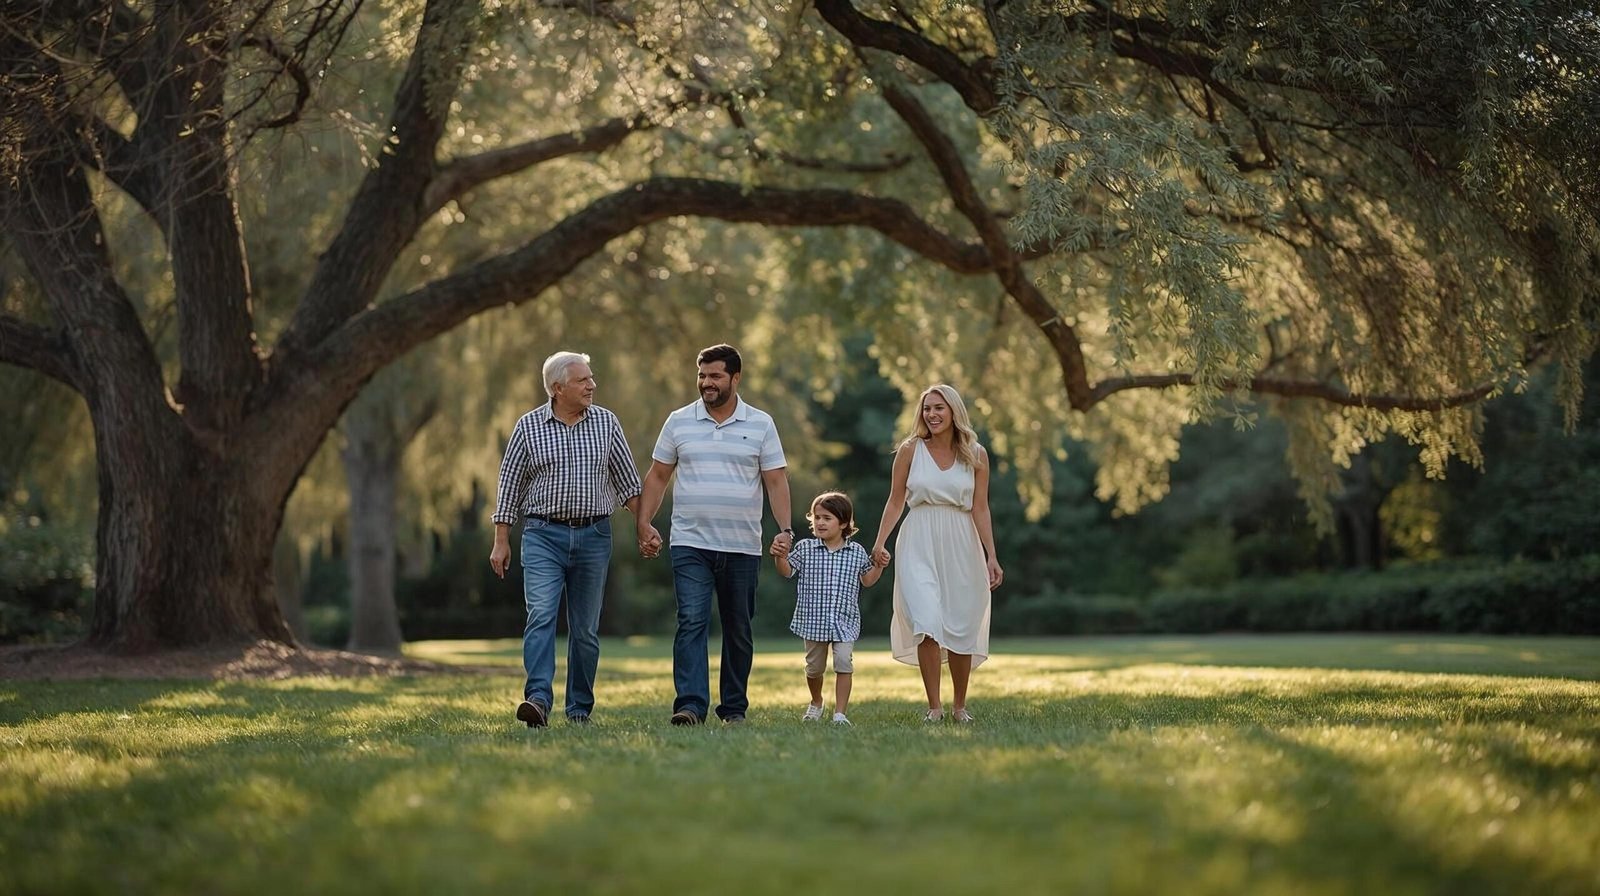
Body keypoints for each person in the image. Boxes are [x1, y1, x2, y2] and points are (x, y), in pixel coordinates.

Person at [637, 344, 793, 725]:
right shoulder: (678, 421)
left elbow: (775, 481)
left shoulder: (760, 423)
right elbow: (658, 475)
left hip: (742, 545)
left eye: (715, 376)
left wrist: (786, 530)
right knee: (691, 619)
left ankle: (734, 708)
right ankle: (689, 705)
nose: (706, 383)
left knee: (738, 625)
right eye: (702, 376)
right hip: (690, 541)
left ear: (735, 378)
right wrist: (644, 521)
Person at [489, 351, 643, 728]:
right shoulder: (528, 427)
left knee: (585, 629)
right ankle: (538, 701)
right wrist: (501, 539)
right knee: (541, 615)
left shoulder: (606, 423)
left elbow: (628, 482)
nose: (592, 385)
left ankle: (579, 710)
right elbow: (509, 484)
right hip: (543, 534)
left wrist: (645, 526)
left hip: (594, 535)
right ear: (557, 388)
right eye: (583, 380)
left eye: (591, 378)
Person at [870, 384, 1003, 723]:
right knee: (927, 620)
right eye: (927, 408)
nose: (931, 414)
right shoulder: (911, 450)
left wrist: (991, 555)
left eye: (939, 408)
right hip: (918, 538)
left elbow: (981, 508)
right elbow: (896, 499)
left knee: (961, 621)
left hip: (962, 540)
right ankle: (935, 707)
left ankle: (959, 706)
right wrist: (880, 541)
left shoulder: (976, 454)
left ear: (954, 412)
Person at [772, 491, 887, 726]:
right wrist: (779, 556)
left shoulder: (855, 552)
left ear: (843, 523)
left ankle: (840, 713)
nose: (820, 522)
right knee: (814, 668)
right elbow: (787, 571)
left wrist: (879, 566)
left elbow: (867, 580)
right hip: (813, 620)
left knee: (844, 661)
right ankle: (816, 702)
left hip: (845, 621)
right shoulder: (805, 548)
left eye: (827, 518)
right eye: (817, 517)